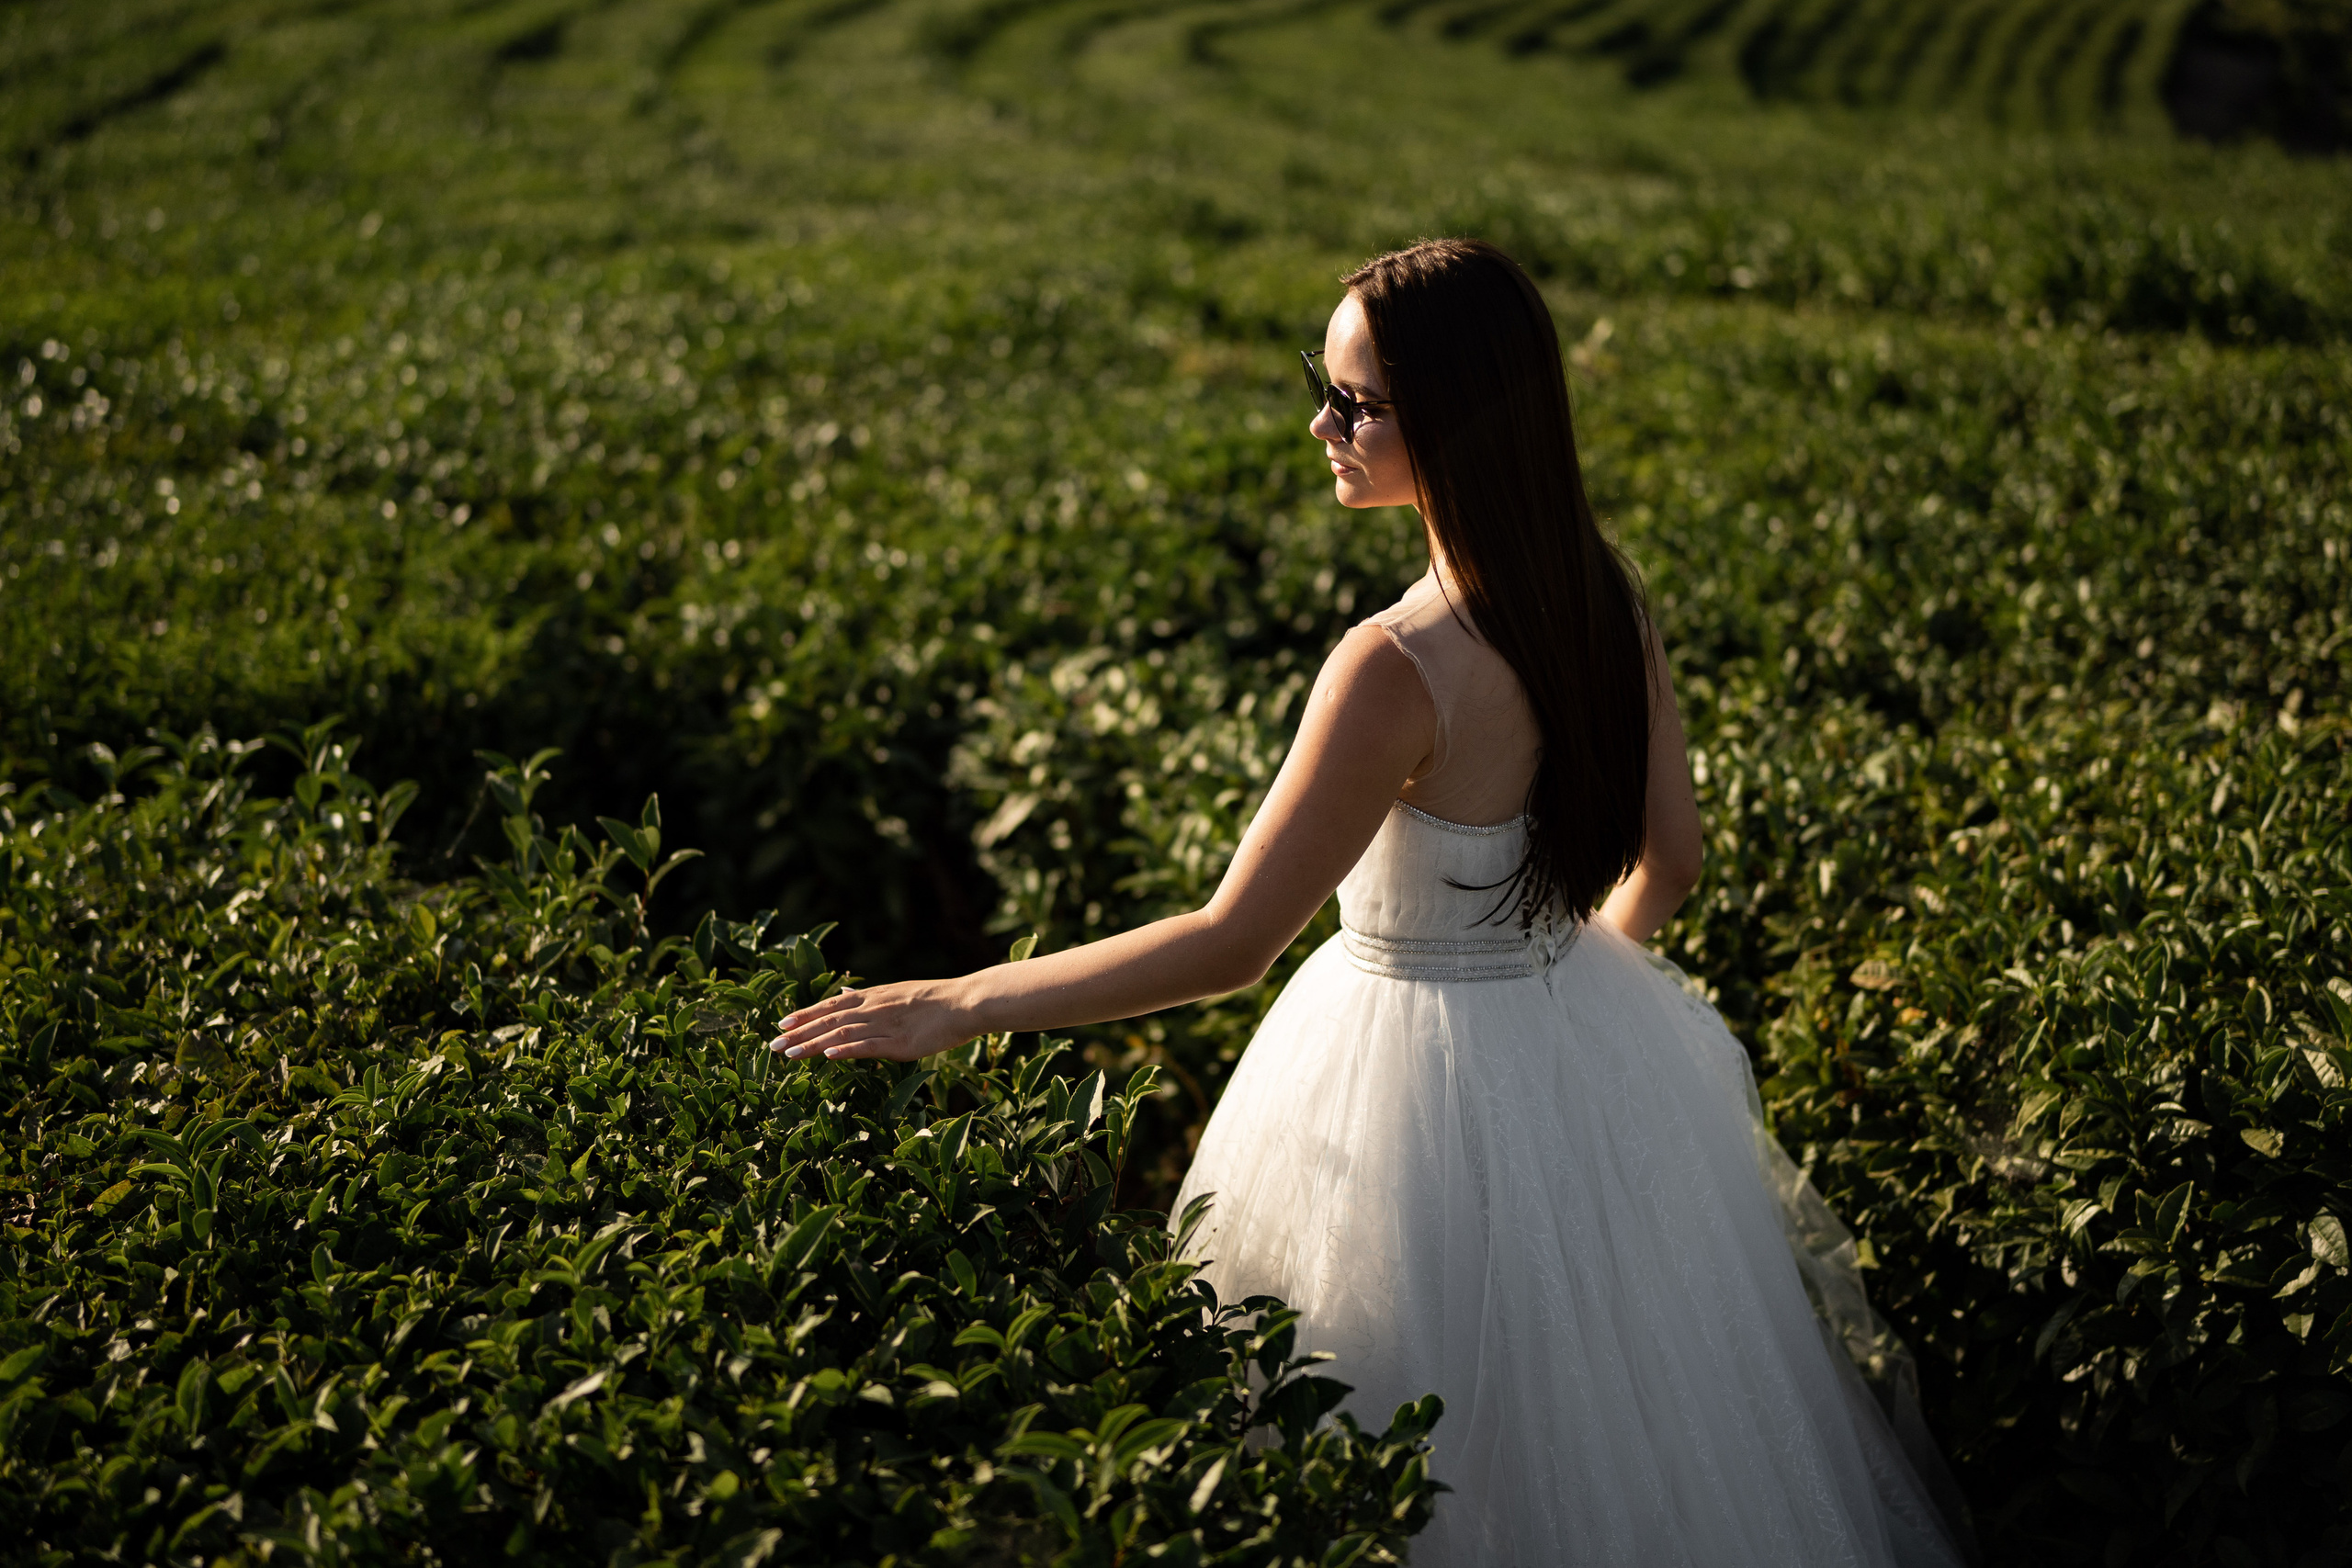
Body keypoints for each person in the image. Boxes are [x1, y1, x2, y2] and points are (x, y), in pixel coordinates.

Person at [770, 238, 1972, 1566]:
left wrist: (956, 1003)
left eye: (1353, 402)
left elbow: (1229, 944)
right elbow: (1669, 861)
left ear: (1453, 418)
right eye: (1323, 385)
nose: (1319, 425)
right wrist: (1571, 1009)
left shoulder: (1395, 666)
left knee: (1377, 1461)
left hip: (1393, 1086)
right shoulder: (1600, 591)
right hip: (1577, 1035)